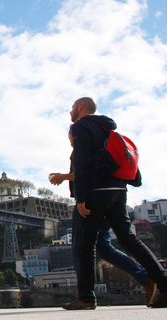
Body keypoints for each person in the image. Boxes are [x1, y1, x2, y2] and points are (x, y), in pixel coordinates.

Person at [62, 97, 167, 310]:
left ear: (81, 107)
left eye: (73, 107)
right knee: (129, 240)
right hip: (119, 191)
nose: (71, 111)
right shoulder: (109, 129)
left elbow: (81, 163)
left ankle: (86, 298)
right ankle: (164, 285)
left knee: (86, 244)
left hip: (96, 192)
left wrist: (80, 197)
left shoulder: (81, 126)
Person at [49, 127, 155, 307]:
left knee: (80, 248)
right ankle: (147, 279)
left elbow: (86, 173)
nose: (69, 139)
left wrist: (64, 177)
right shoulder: (105, 141)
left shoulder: (83, 144)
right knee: (104, 248)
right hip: (111, 198)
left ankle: (85, 296)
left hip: (89, 201)